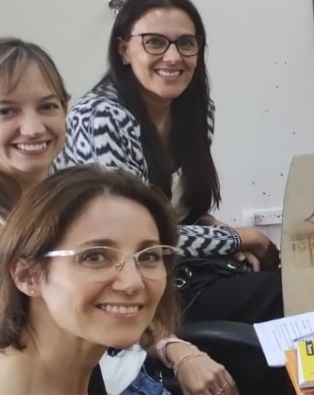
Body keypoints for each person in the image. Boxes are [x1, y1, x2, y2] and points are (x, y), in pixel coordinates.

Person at [0, 38, 297, 395]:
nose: (34, 127)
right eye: (7, 110)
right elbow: (53, 384)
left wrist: (177, 348)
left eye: (48, 106)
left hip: (135, 384)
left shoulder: (59, 197)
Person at [0, 167, 256, 395]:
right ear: (27, 276)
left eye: (148, 256)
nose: (132, 282)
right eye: (94, 257)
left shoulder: (69, 359)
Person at [56, 0, 286, 327]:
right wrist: (241, 238)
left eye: (186, 43)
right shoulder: (101, 118)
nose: (173, 56)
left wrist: (218, 236)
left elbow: (182, 212)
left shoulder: (196, 110)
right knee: (290, 295)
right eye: (154, 42)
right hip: (129, 287)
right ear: (124, 50)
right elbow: (134, 240)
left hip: (178, 270)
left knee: (287, 282)